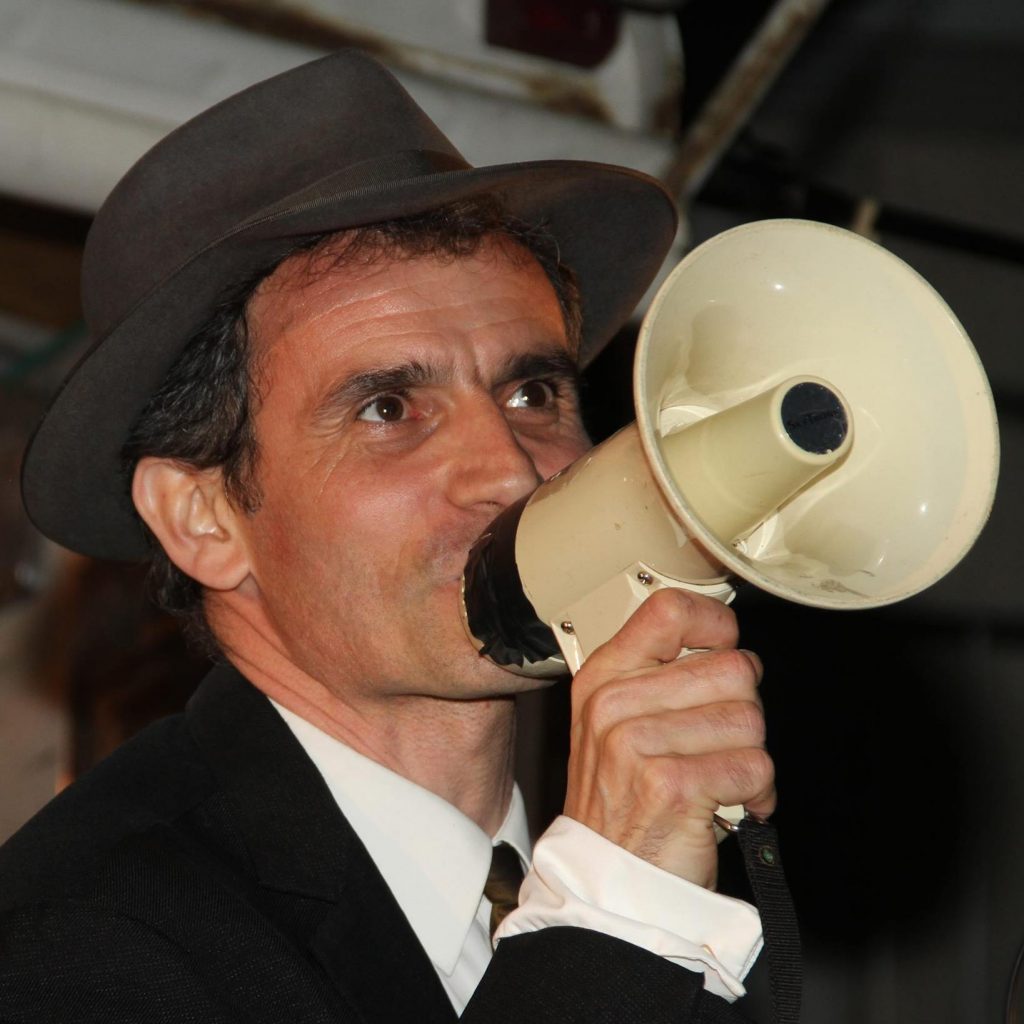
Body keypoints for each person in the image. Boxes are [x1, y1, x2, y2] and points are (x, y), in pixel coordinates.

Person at [0, 50, 775, 1022]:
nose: (508, 469)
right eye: (388, 409)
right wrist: (619, 913)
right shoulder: (85, 944)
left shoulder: (633, 889)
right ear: (203, 519)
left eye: (533, 393)